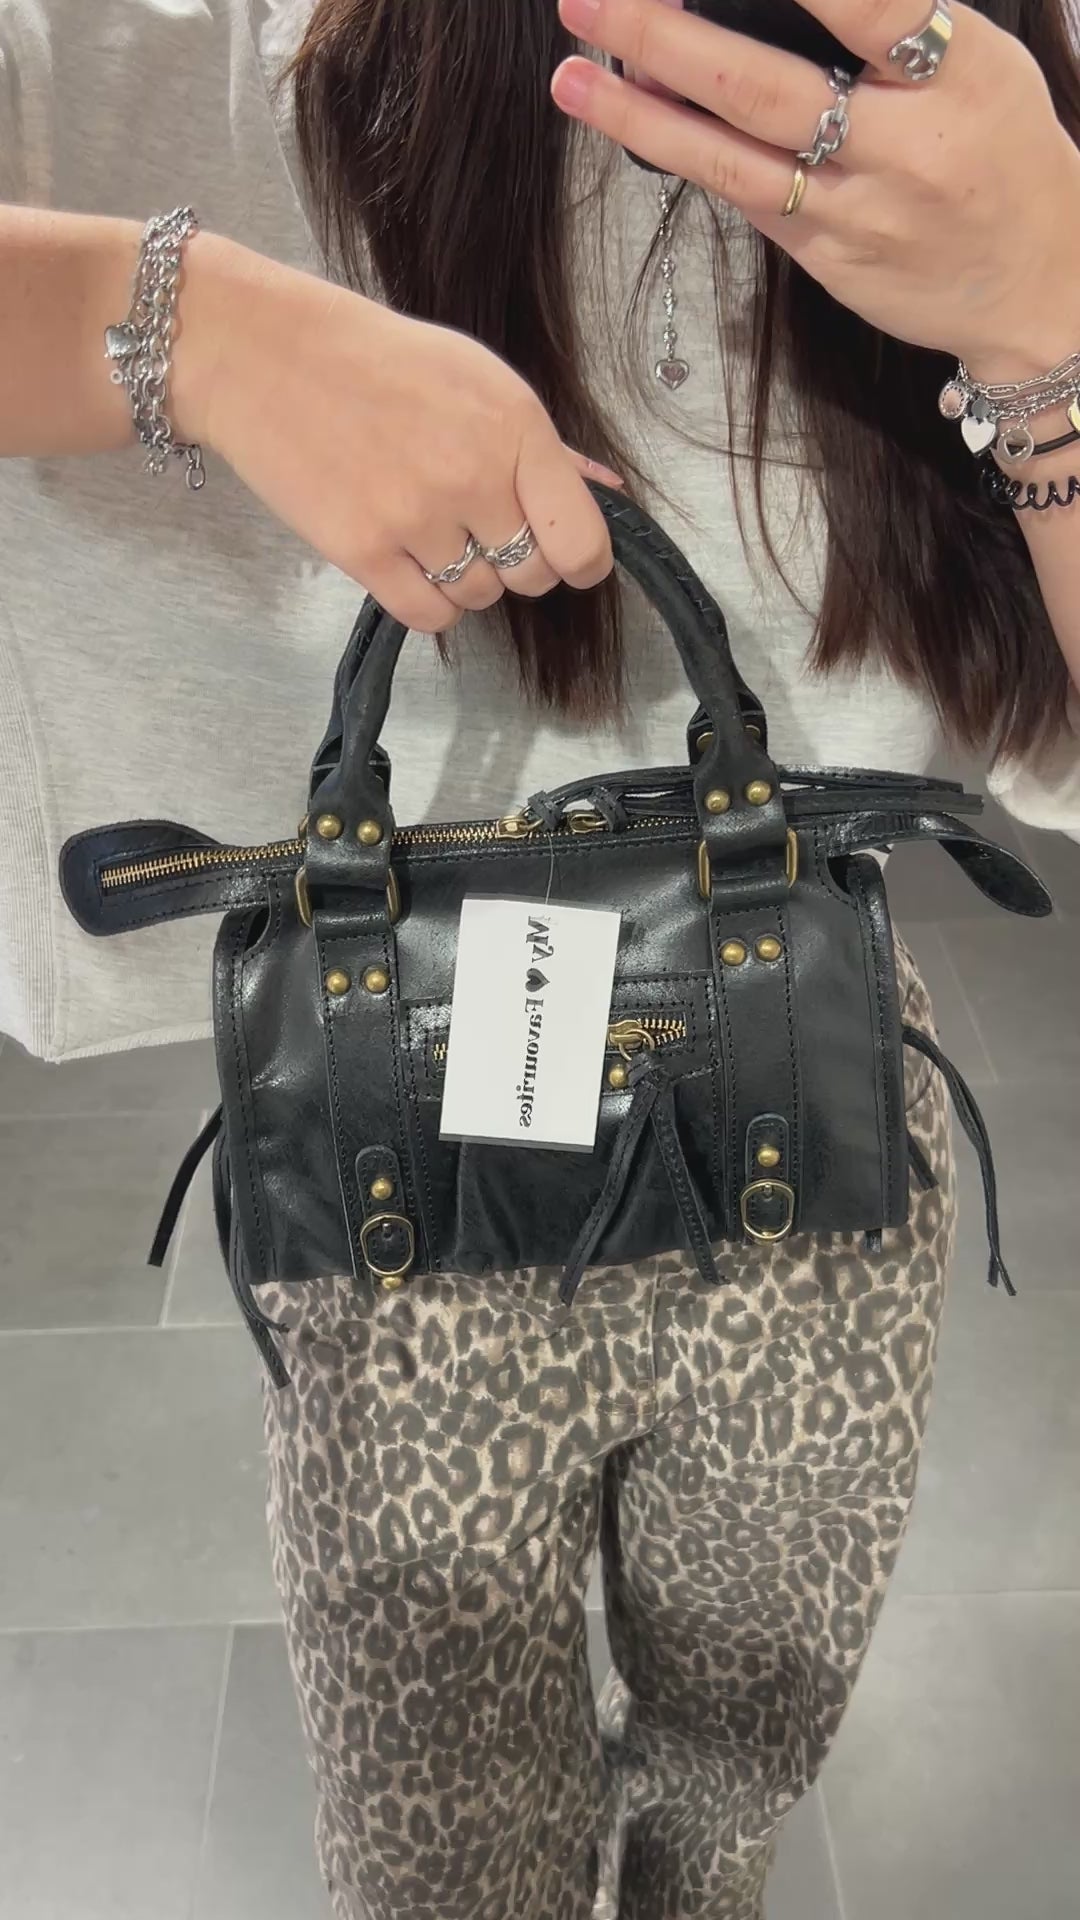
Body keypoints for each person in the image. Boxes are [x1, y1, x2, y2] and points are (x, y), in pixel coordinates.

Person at [2, 2, 1079, 1914]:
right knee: (437, 1859)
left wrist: (1051, 313)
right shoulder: (152, 43)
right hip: (399, 1175)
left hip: (800, 1133)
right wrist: (193, 325)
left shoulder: (958, 59)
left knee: (728, 1801)